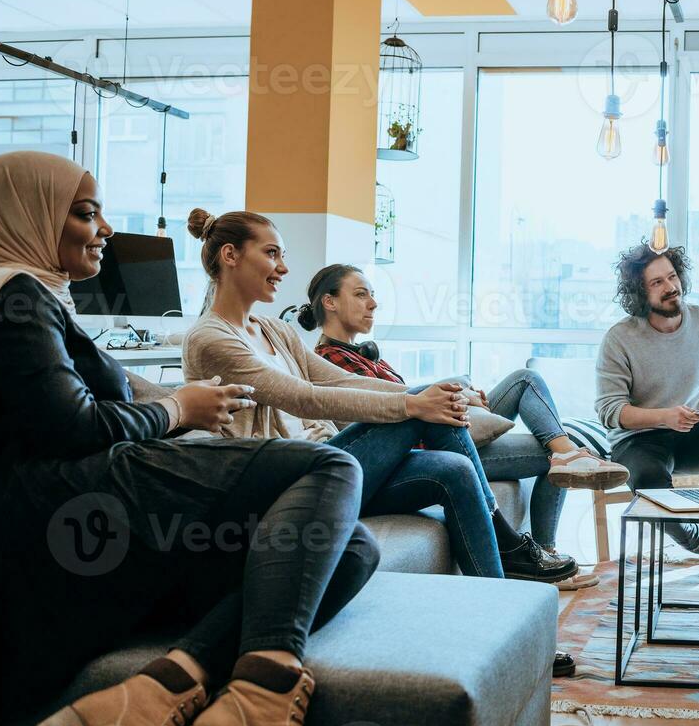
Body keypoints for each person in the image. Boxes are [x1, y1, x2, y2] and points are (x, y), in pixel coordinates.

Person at [0, 152, 369, 726]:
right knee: (328, 468)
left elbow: (96, 397)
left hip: (83, 515)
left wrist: (174, 402)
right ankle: (257, 718)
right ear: (18, 217)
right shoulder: (11, 295)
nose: (106, 229)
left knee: (351, 547)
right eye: (85, 212)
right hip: (62, 515)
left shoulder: (22, 299)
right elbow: (77, 424)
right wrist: (180, 410)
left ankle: (145, 700)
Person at [180, 208, 575, 587]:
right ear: (230, 255)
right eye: (271, 253)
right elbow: (305, 399)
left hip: (329, 463)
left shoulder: (272, 330)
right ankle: (509, 544)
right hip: (284, 485)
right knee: (423, 406)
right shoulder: (211, 339)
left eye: (283, 255)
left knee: (454, 468)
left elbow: (339, 381)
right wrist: (414, 404)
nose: (283, 267)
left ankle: (497, 609)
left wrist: (427, 395)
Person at [296, 262, 628, 563]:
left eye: (373, 295)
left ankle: (568, 453)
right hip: (430, 446)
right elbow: (394, 409)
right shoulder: (330, 361)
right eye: (361, 294)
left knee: (525, 379)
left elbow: (409, 394)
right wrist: (458, 395)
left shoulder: (366, 356)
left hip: (443, 427)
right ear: (330, 301)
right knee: (547, 454)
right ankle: (542, 550)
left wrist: (463, 394)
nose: (373, 303)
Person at [595, 243, 699, 579]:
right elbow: (610, 410)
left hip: (691, 434)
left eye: (672, 276)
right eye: (657, 283)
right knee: (648, 480)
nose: (671, 287)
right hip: (638, 440)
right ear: (639, 293)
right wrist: (665, 415)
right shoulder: (619, 338)